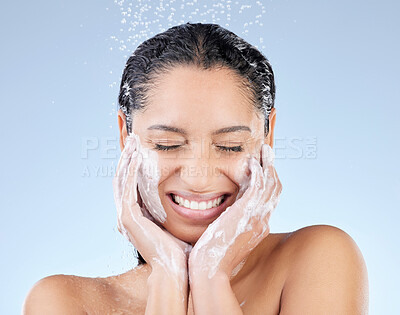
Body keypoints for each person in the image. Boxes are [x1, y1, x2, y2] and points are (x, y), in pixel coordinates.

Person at [23, 22, 368, 314]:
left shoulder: (318, 260)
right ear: (126, 138)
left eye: (230, 146)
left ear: (267, 135)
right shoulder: (65, 303)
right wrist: (168, 277)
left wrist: (210, 275)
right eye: (167, 145)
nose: (199, 176)